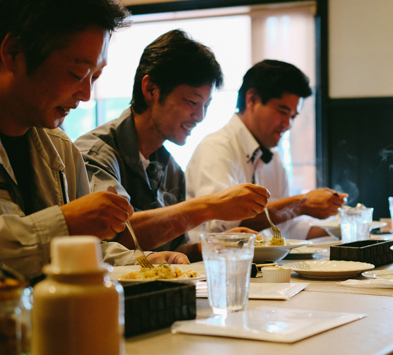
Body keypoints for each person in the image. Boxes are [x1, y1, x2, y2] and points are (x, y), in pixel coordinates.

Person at [0, 0, 190, 280]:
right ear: (14, 52)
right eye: (76, 74)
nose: (86, 94)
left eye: (95, 77)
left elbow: (83, 250)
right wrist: (68, 221)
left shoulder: (61, 149)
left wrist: (146, 261)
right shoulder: (96, 150)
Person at [75, 30, 270, 261]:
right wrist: (210, 206)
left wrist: (219, 245)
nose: (199, 116)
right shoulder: (95, 154)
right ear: (151, 90)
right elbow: (116, 236)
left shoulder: (172, 169)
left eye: (206, 105)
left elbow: (174, 251)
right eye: (192, 102)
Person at [186, 60, 347, 240]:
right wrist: (301, 203)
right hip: (211, 264)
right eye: (283, 111)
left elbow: (287, 227)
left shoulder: (274, 157)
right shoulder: (217, 148)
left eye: (293, 116)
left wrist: (350, 226)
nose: (288, 124)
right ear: (252, 99)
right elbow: (223, 226)